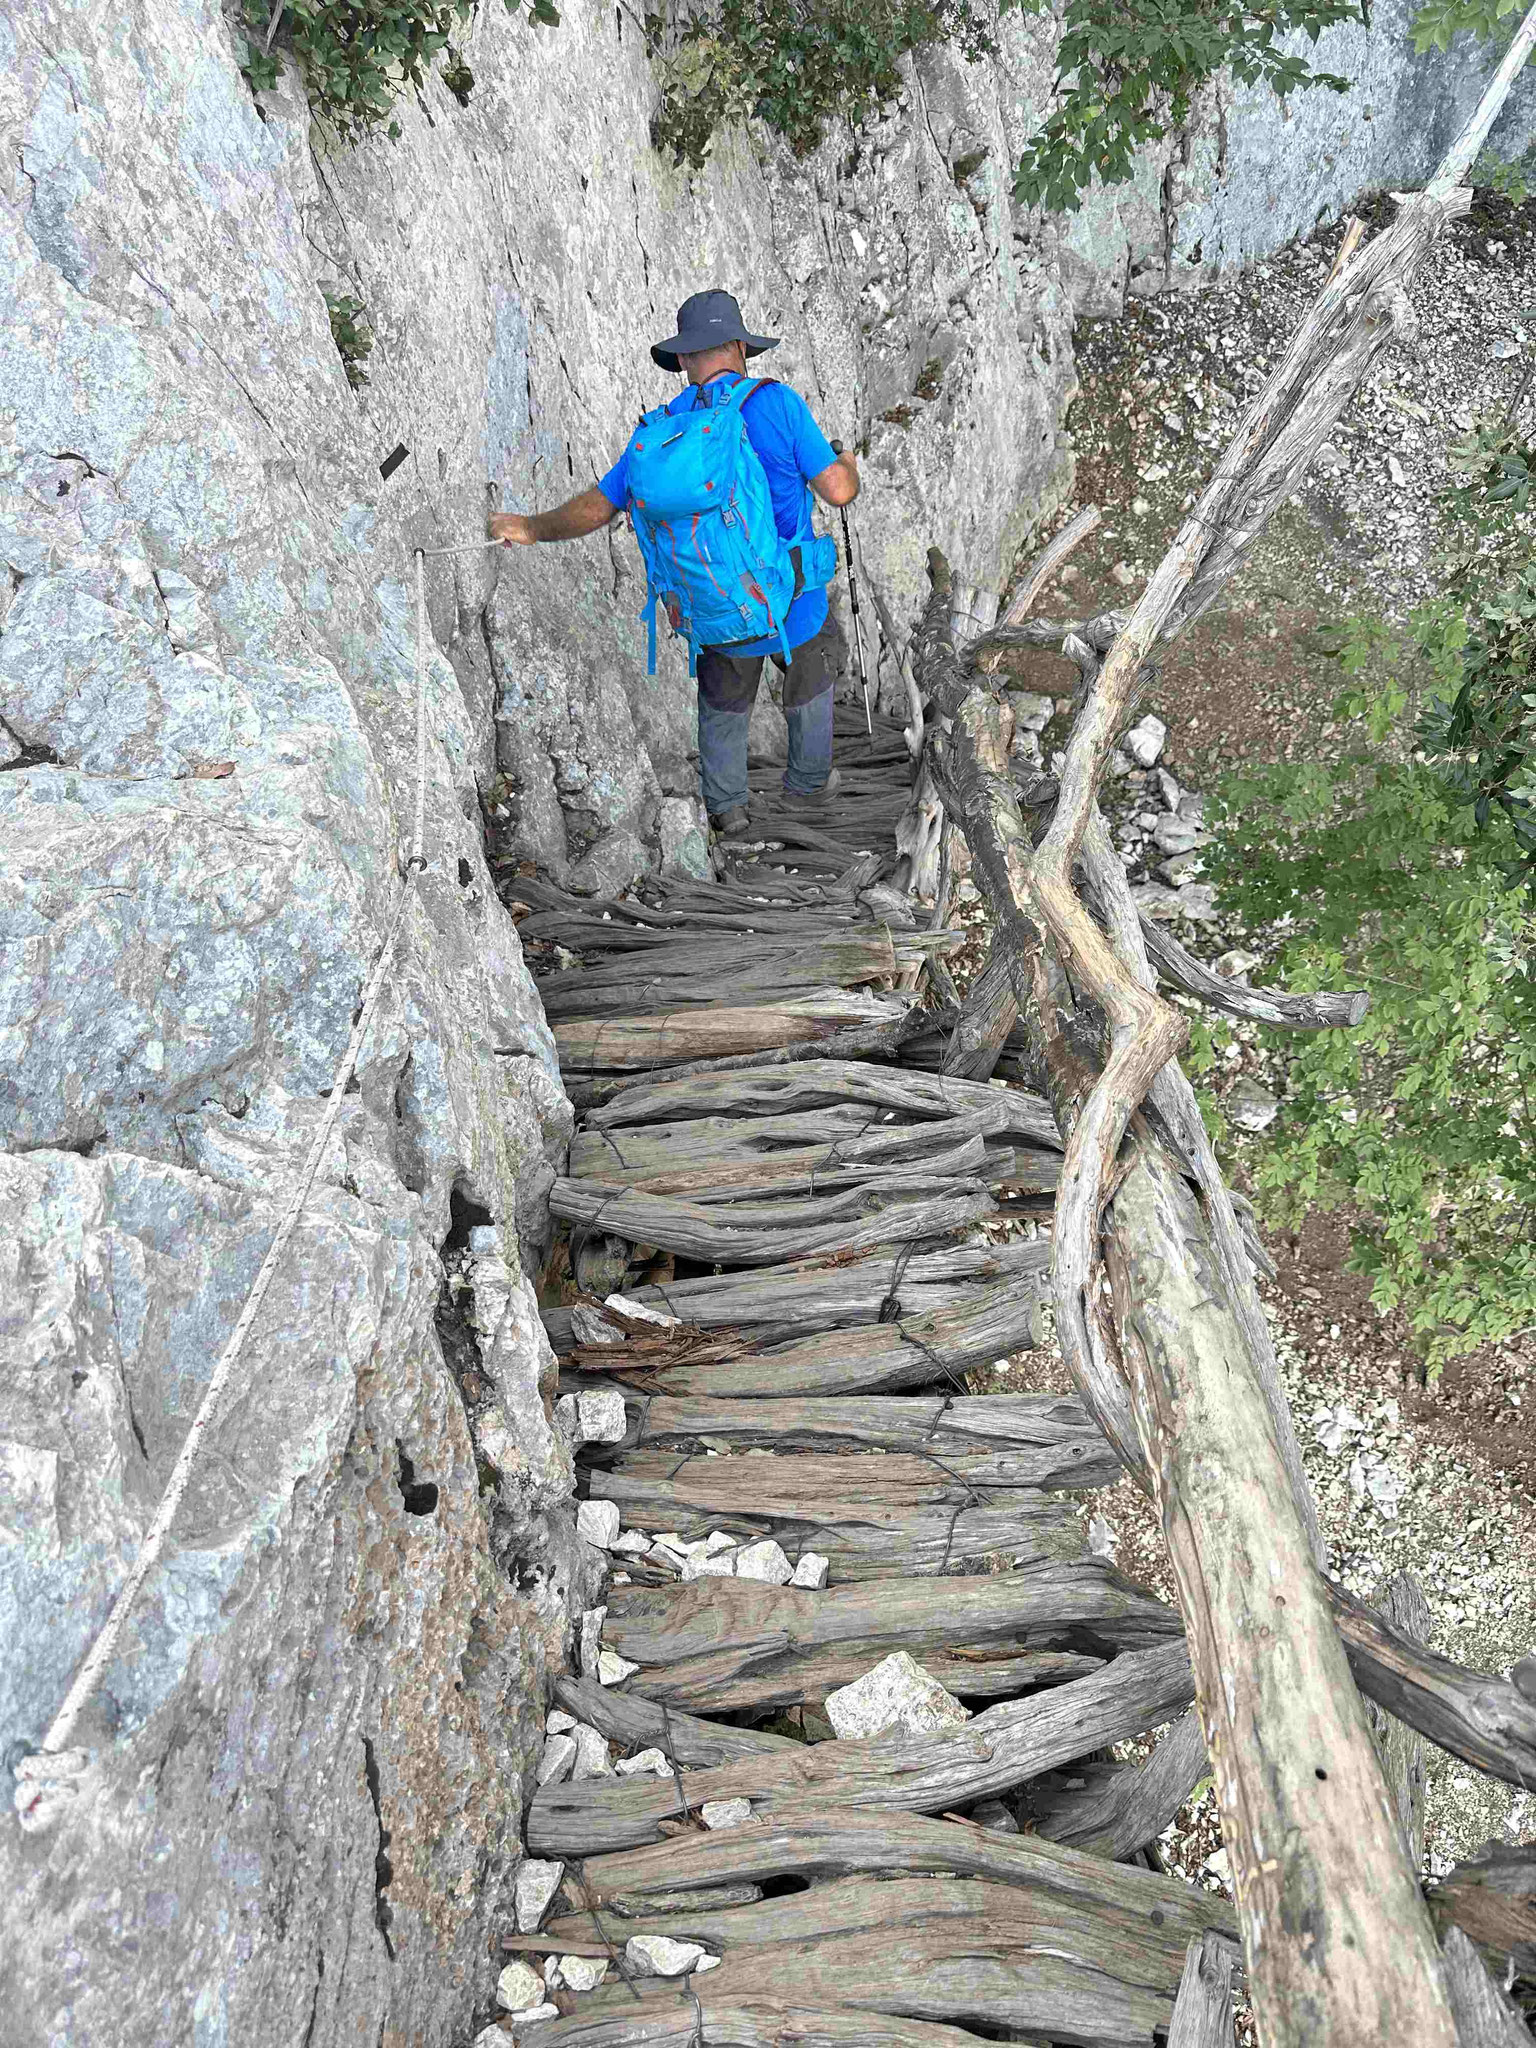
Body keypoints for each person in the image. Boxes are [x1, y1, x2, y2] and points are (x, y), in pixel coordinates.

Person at [490, 289, 860, 837]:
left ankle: (729, 811)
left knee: (723, 694)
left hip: (714, 605)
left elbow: (598, 507)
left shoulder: (662, 431)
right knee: (813, 660)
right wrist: (847, 460)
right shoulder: (779, 405)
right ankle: (808, 789)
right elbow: (838, 490)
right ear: (740, 346)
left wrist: (528, 528)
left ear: (684, 357)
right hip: (791, 602)